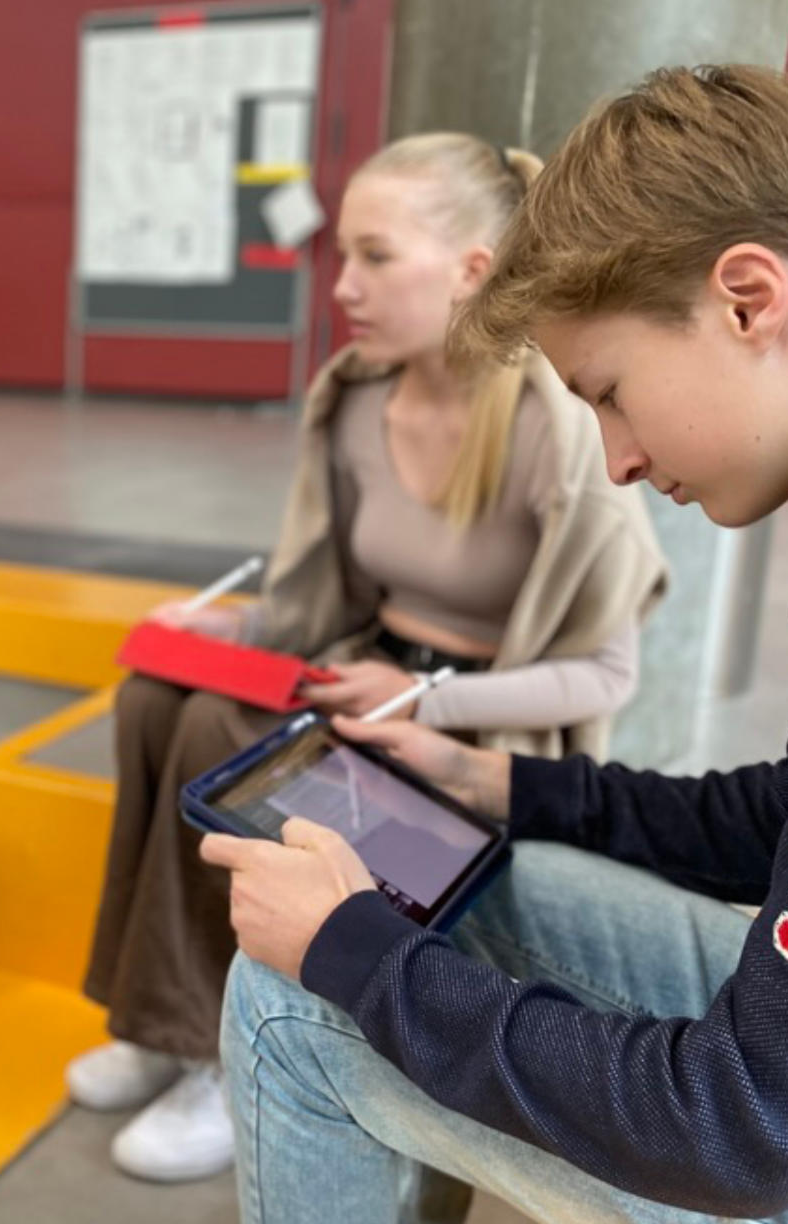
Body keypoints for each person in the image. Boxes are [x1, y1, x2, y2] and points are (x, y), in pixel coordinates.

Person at [206, 65, 788, 1224]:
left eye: (610, 390)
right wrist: (507, 781)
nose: (615, 455)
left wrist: (357, 951)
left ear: (750, 300)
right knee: (504, 875)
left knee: (293, 998)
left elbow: (749, 1133)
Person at [73, 133, 667, 1184]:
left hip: (472, 726)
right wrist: (228, 631)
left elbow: (605, 674)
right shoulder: (353, 399)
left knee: (223, 736)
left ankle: (212, 1042)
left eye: (375, 256)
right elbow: (321, 597)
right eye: (341, 255)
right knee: (156, 693)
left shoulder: (559, 425)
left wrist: (432, 697)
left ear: (472, 270)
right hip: (359, 677)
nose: (341, 285)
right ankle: (158, 1015)